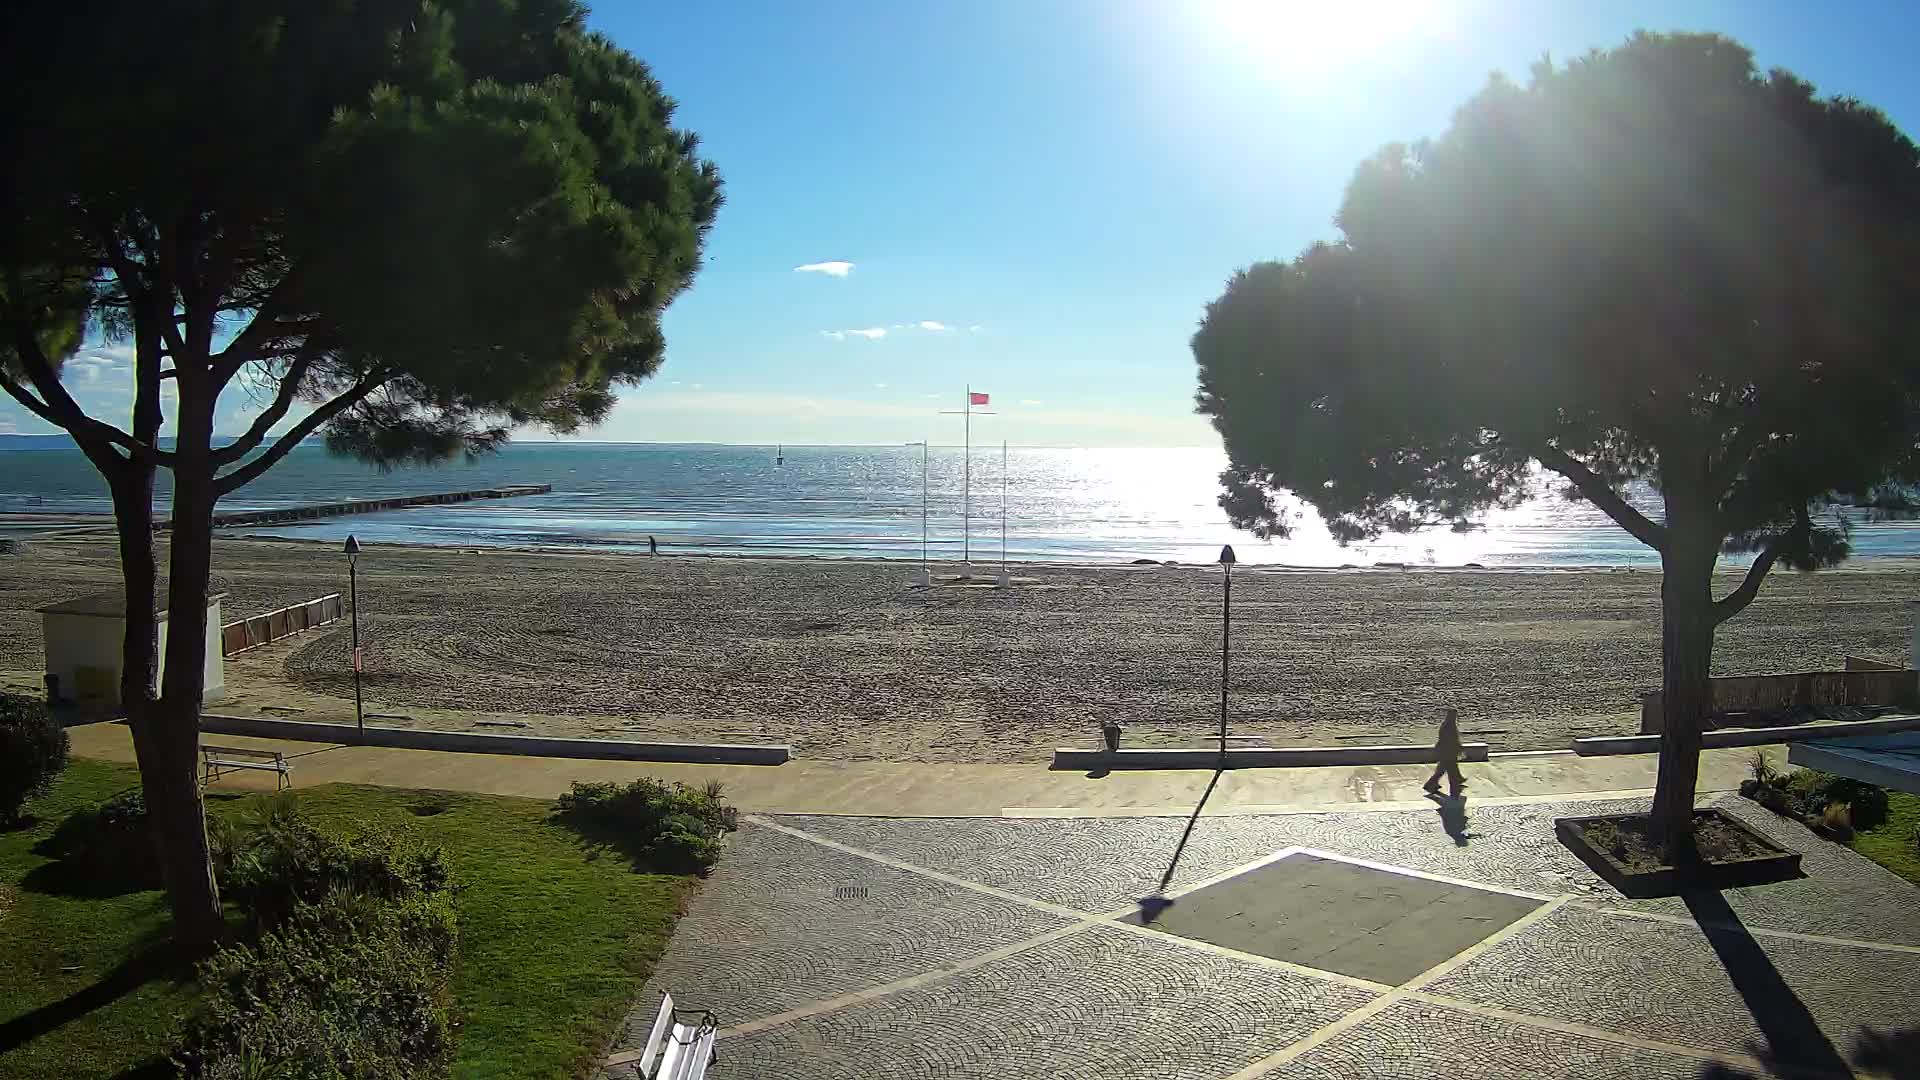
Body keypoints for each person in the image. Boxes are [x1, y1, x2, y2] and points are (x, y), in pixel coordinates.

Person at [1424, 706, 1465, 797]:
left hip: (1445, 751)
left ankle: (1431, 784)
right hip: (1449, 752)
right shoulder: (1450, 726)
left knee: (1443, 769)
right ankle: (1455, 788)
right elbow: (1452, 740)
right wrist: (1458, 748)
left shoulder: (1446, 725)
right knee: (1451, 771)